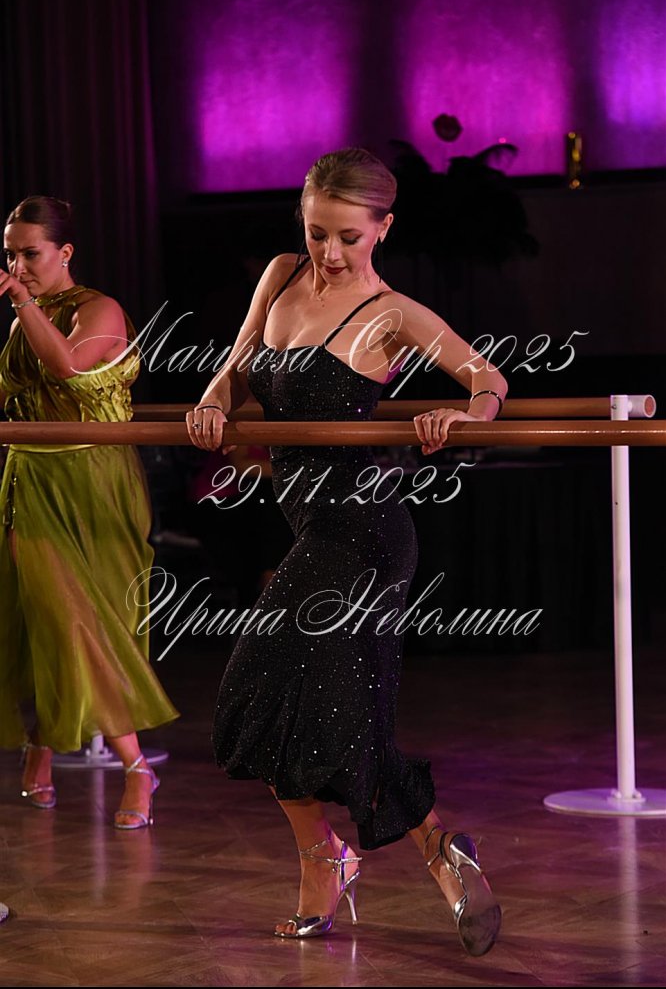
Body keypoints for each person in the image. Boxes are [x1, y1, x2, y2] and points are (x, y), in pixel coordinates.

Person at [186, 148, 508, 955]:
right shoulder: (280, 275)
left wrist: (463, 416)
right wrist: (213, 399)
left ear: (383, 228)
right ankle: (388, 852)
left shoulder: (392, 313)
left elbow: (490, 381)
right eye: (317, 232)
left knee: (288, 699)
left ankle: (379, 856)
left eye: (349, 237)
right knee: (282, 709)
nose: (330, 253)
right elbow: (237, 365)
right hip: (311, 530)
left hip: (366, 536)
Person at [0, 196, 179, 829]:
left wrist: (21, 303)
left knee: (91, 622)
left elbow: (68, 365)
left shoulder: (98, 309)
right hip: (30, 477)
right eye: (10, 255)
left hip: (94, 482)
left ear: (65, 252)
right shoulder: (25, 315)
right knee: (44, 616)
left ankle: (111, 760)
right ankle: (97, 756)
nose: (18, 267)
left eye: (30, 254)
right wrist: (23, 306)